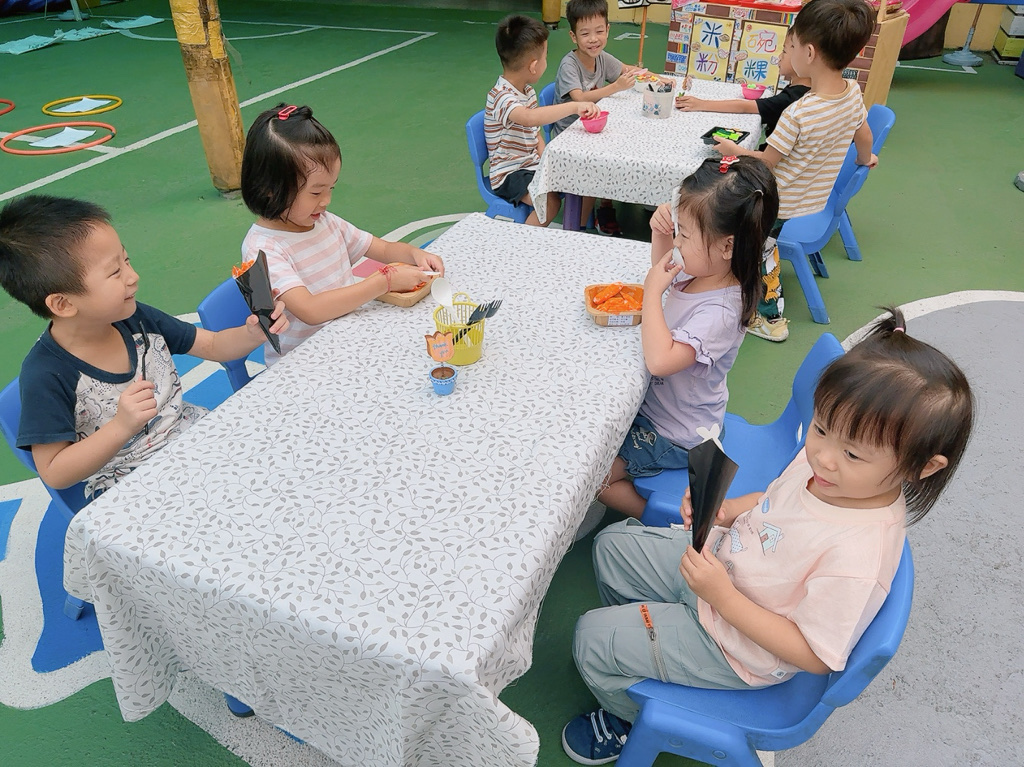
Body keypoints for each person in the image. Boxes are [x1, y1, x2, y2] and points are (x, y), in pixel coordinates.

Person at [561, 306, 974, 764]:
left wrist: (721, 597)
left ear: (923, 467)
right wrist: (725, 511)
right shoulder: (831, 470)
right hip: (722, 569)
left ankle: (624, 718)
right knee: (611, 547)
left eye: (854, 454)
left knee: (590, 639)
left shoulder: (858, 556)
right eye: (821, 428)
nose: (823, 457)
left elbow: (814, 656)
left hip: (738, 647)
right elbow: (774, 499)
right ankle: (647, 644)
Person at [0, 195, 289, 504]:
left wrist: (252, 333)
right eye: (115, 272)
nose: (133, 276)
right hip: (135, 487)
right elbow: (55, 472)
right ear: (63, 304)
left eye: (126, 260)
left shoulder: (136, 319)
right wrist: (121, 426)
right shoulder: (45, 375)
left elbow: (214, 345)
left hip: (196, 442)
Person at [598, 156, 779, 521]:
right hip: (663, 410)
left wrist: (651, 292)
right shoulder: (705, 269)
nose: (678, 242)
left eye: (685, 235)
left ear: (727, 246)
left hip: (675, 433)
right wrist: (661, 233)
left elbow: (660, 361)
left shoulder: (722, 310)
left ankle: (662, 519)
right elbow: (666, 268)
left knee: (594, 480)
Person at [711, 0, 878, 343]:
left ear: (809, 53)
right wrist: (865, 159)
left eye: (793, 45)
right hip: (815, 199)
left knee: (753, 243)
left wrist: (734, 151)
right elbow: (863, 134)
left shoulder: (798, 114)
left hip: (780, 203)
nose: (788, 51)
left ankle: (769, 318)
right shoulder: (852, 92)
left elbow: (765, 163)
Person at [239, 103, 445, 364]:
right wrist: (384, 282)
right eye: (316, 192)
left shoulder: (324, 222)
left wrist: (415, 254)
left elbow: (381, 248)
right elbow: (311, 310)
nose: (326, 201)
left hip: (348, 340)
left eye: (331, 188)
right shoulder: (263, 248)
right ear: (270, 188)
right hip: (306, 364)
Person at [486, 14, 599, 227]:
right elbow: (529, 119)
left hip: (531, 164)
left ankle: (577, 230)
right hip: (509, 173)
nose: (547, 62)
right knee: (549, 203)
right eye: (546, 57)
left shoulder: (527, 91)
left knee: (582, 176)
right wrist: (574, 106)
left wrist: (547, 161)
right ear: (533, 66)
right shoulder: (502, 97)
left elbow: (535, 133)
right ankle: (523, 241)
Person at [550, 0, 644, 234]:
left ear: (608, 30)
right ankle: (579, 228)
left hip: (592, 129)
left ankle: (605, 204)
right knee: (597, 167)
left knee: (627, 141)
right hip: (569, 137)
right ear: (573, 36)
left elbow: (629, 70)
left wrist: (662, 79)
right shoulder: (569, 65)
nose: (593, 39)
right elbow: (580, 98)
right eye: (585, 34)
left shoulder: (601, 57)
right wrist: (616, 87)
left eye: (599, 31)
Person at [675, 42, 811, 145]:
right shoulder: (799, 89)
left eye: (784, 52)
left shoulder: (792, 99)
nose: (779, 57)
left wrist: (701, 104)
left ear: (807, 56)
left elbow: (744, 107)